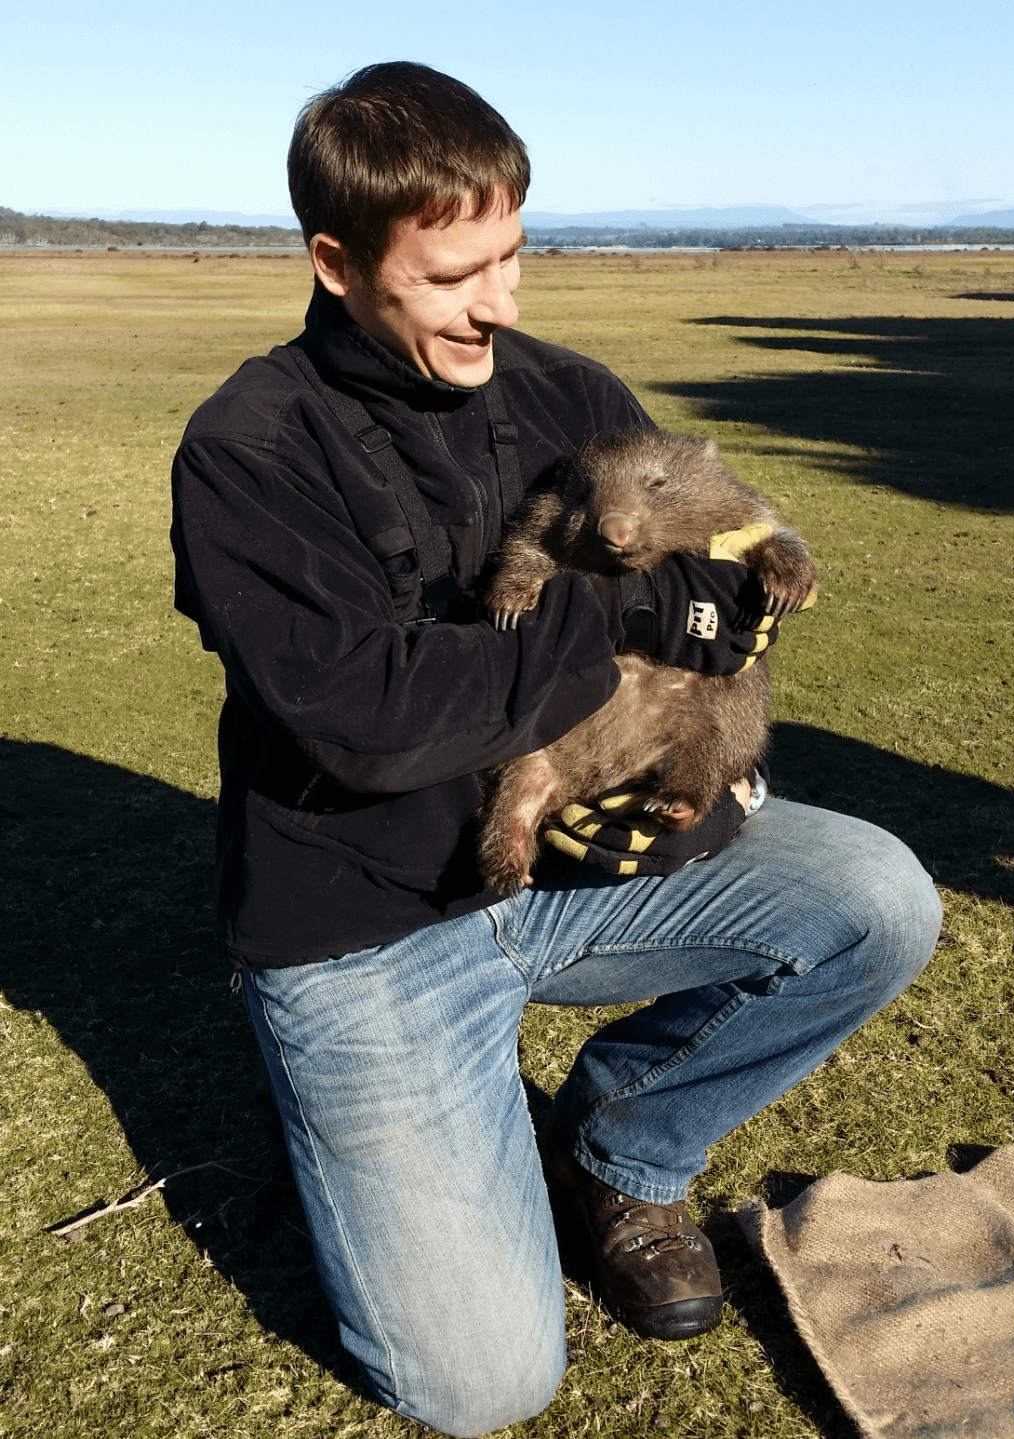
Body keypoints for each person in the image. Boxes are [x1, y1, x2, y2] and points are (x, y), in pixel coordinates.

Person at [170, 61, 942, 1438]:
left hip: (584, 865)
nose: (502, 303)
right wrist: (635, 606)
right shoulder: (250, 449)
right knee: (482, 1383)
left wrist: (738, 614)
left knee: (876, 897)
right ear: (337, 262)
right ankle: (378, 1108)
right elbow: (376, 719)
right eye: (457, 273)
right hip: (371, 923)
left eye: (514, 255)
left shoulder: (571, 394)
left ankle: (620, 1146)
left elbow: (716, 582)